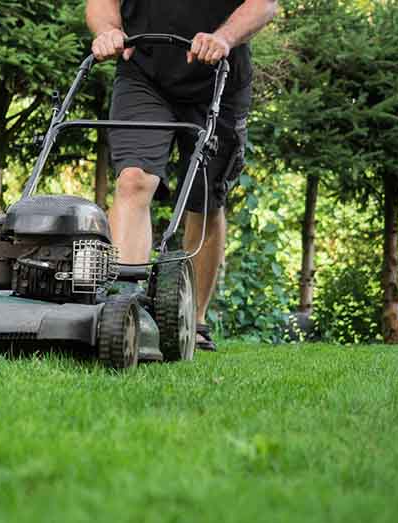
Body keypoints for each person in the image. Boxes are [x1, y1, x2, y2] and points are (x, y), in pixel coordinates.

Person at [86, 0, 277, 351]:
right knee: (133, 180)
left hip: (218, 74)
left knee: (204, 199)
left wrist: (223, 37)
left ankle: (194, 320)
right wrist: (107, 31)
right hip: (144, 73)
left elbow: (264, 4)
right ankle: (126, 309)